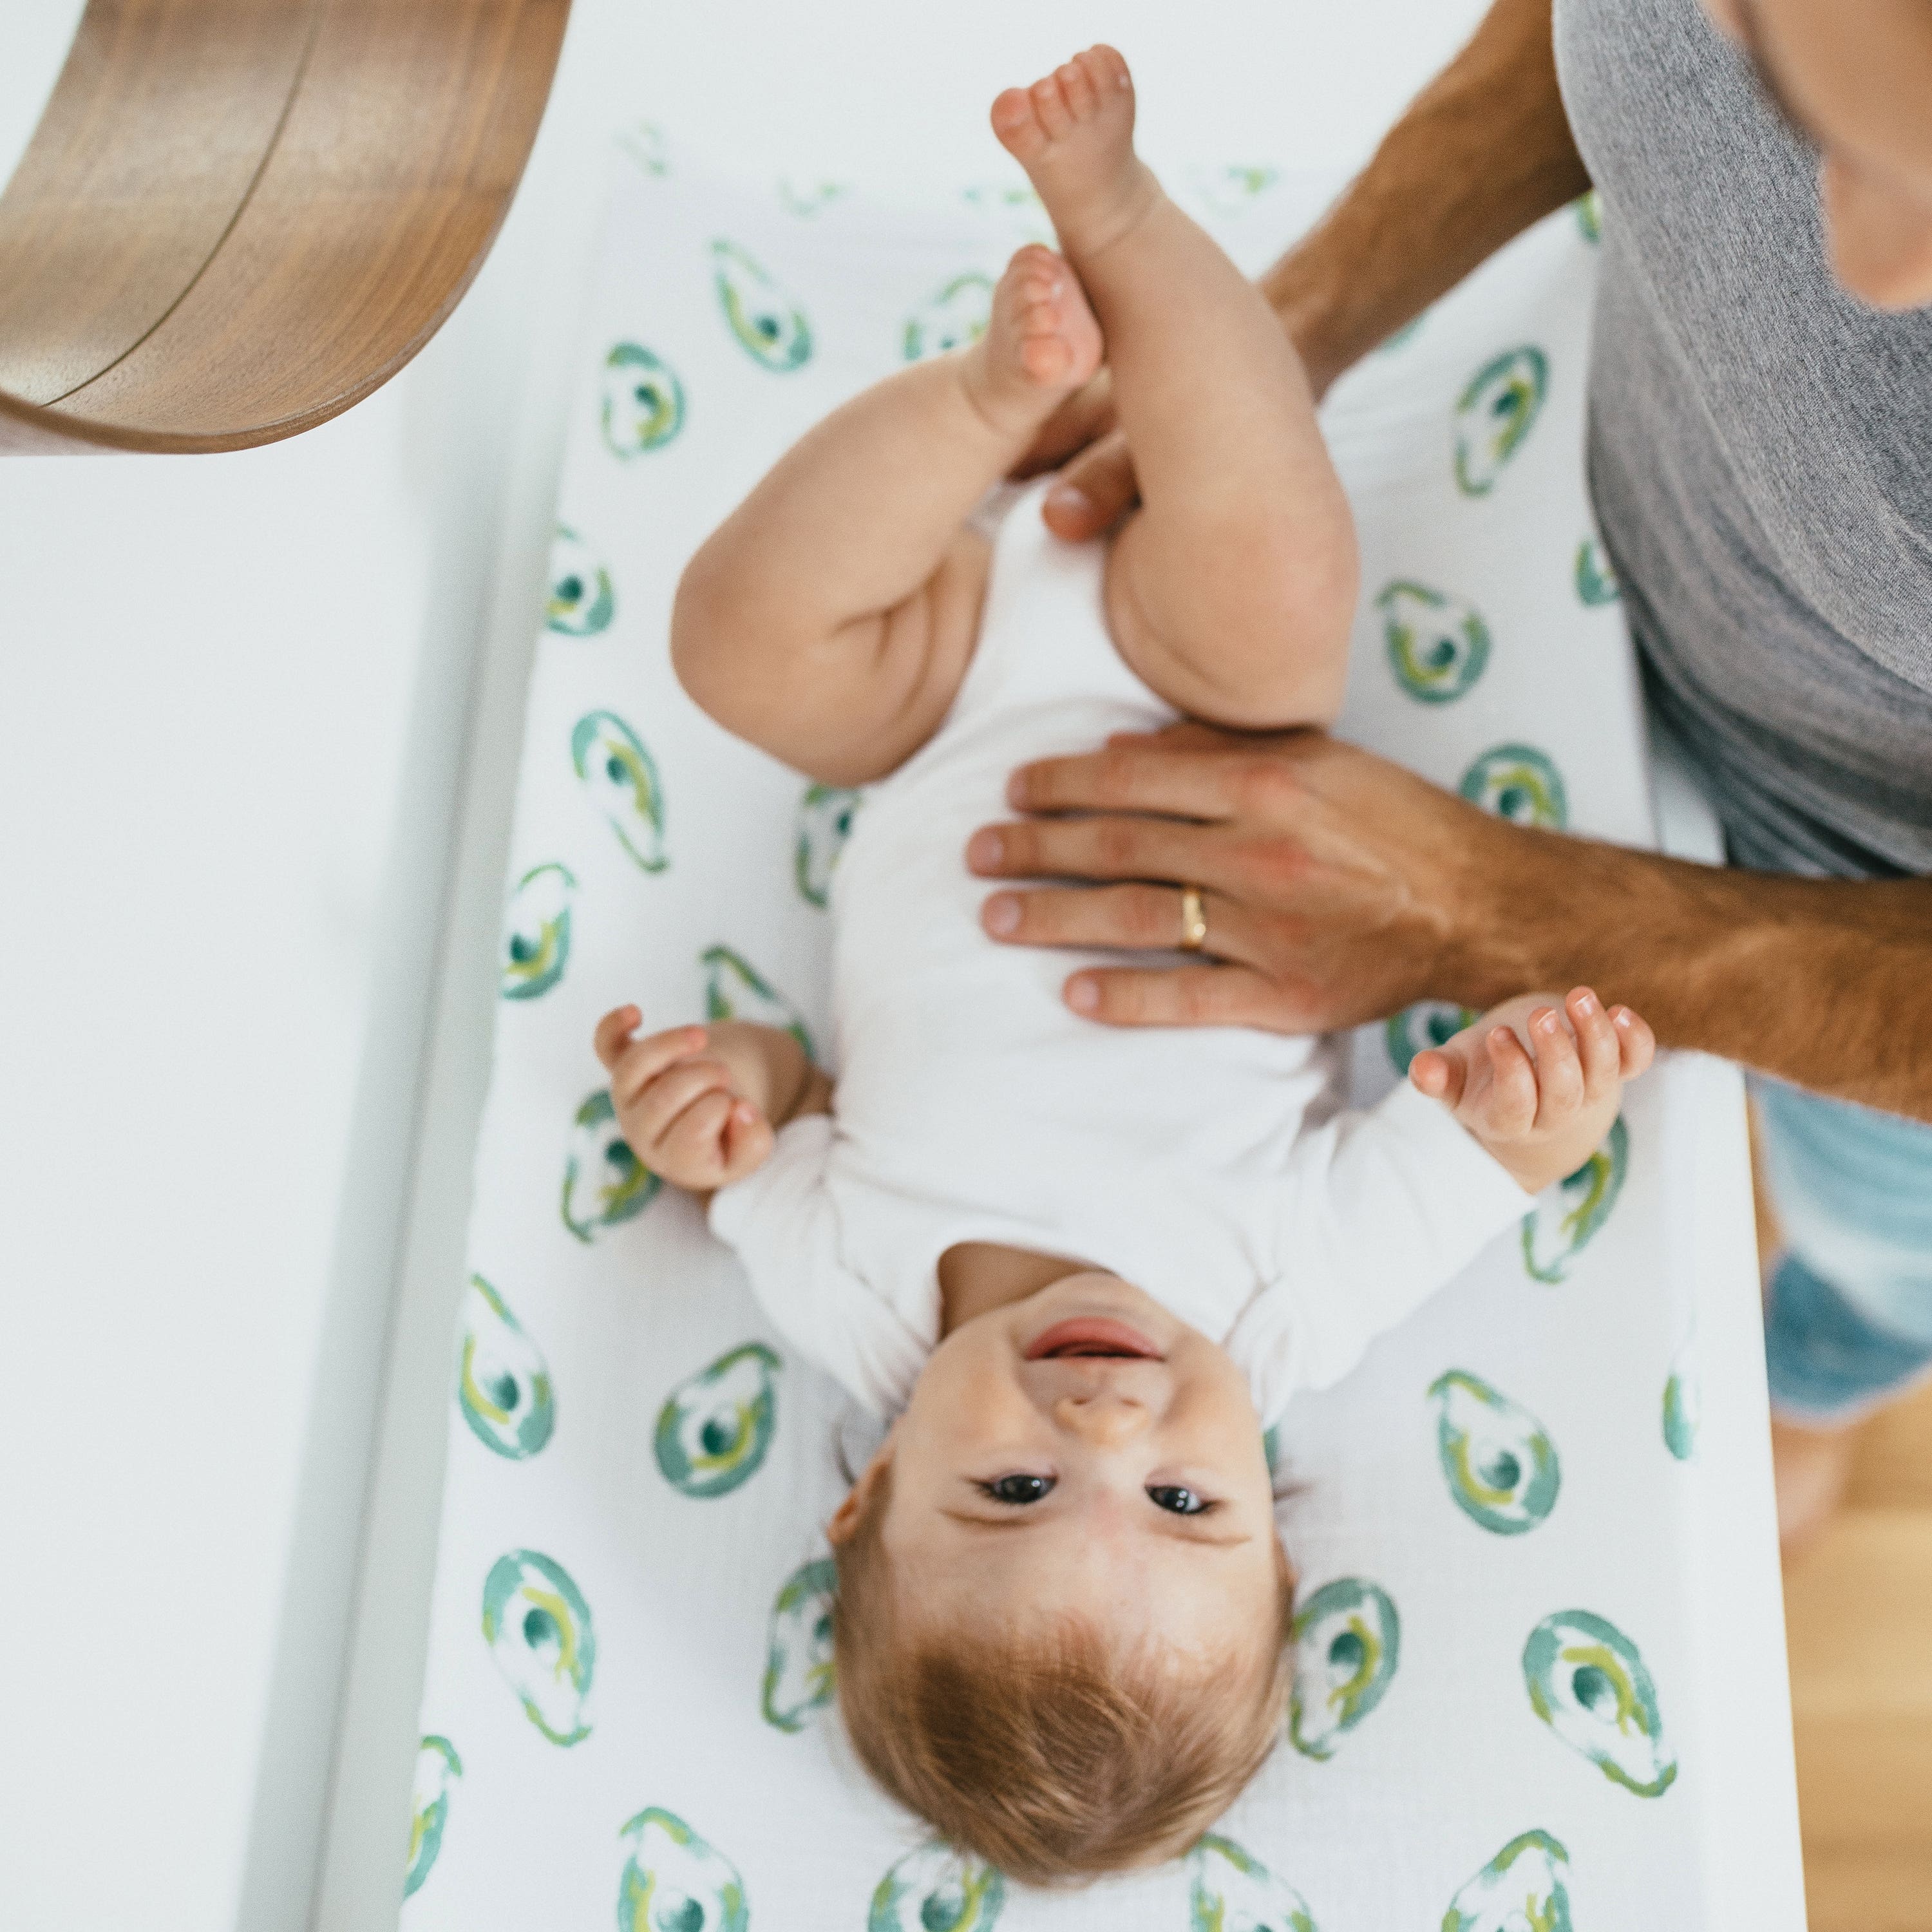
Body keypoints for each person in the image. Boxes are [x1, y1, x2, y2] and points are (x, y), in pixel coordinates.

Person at [591, 48, 1654, 1882]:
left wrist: (716, 1104)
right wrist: (1528, 1101)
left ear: (867, 1490)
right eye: (1183, 1502)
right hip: (1200, 706)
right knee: (1283, 562)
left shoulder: (850, 1297)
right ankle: (1128, 223)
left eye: (1011, 1492)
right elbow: (1484, 1159)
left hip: (920, 718)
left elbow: (773, 1098)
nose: (1106, 1425)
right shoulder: (1287, 1306)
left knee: (734, 645)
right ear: (1268, 1521)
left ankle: (984, 400)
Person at [963, 0, 1932, 1550]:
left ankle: (1820, 1371)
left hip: (1868, 886)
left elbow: (1462, 1165)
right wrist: (1286, 334)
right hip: (1637, 538)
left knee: (1884, 1244)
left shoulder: (1250, 1316)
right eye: (1799, 101)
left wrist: (1496, 921)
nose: (1868, 272)